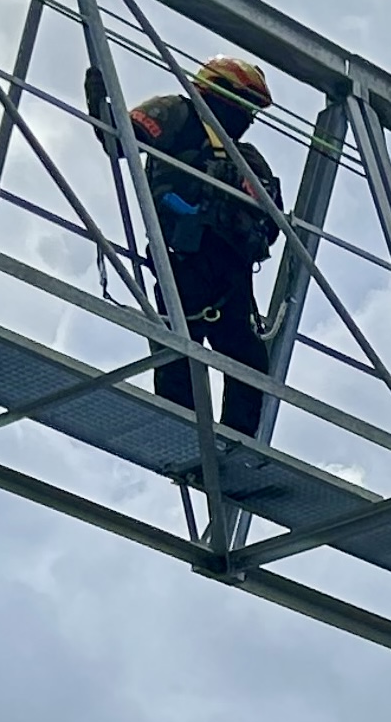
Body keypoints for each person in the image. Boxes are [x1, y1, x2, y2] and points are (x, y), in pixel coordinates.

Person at [86, 57, 285, 440]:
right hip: (184, 256)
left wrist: (252, 205)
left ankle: (235, 444)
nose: (247, 117)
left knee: (250, 362)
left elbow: (274, 224)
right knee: (180, 349)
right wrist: (98, 98)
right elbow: (120, 138)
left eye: (251, 110)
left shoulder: (250, 158)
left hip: (232, 272)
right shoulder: (178, 113)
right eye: (242, 104)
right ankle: (179, 433)